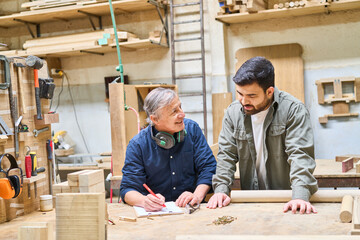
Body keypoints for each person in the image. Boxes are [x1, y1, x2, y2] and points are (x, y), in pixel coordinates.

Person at [207, 56, 318, 214]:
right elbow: (226, 155)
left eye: (251, 96)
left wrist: (300, 196)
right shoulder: (233, 113)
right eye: (239, 93)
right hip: (253, 199)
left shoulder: (293, 110)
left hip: (288, 200)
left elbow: (300, 155)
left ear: (269, 92)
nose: (243, 101)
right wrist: (221, 190)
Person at [120, 87, 217, 212]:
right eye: (174, 111)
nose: (182, 114)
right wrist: (144, 201)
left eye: (180, 107)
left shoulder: (192, 130)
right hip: (156, 215)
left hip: (191, 210)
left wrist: (197, 196)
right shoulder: (137, 145)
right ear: (155, 119)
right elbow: (128, 188)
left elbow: (208, 168)